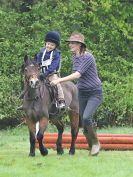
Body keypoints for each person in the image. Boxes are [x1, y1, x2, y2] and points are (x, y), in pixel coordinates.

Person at [50, 32, 103, 156]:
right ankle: (92, 147)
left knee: (85, 117)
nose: (70, 45)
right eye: (70, 43)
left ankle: (96, 143)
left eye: (72, 43)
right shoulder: (75, 57)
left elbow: (77, 74)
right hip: (82, 93)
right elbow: (76, 78)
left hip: (94, 93)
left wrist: (59, 80)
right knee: (84, 123)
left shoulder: (88, 57)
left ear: (80, 44)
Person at [17, 31, 65, 110]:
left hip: (51, 74)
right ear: (45, 43)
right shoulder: (42, 52)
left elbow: (53, 66)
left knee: (57, 84)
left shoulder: (56, 54)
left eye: (52, 45)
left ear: (55, 46)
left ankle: (61, 100)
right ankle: (24, 101)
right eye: (48, 44)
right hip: (40, 73)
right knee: (29, 81)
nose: (49, 46)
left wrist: (46, 74)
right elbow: (37, 62)